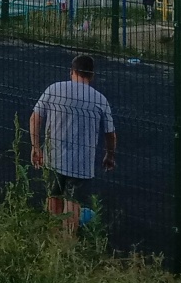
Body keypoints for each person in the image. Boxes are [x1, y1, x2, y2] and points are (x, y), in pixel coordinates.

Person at [30, 54, 117, 234]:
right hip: (81, 162)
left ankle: (53, 238)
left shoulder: (54, 89)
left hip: (54, 156)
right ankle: (68, 241)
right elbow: (110, 134)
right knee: (73, 201)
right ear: (92, 75)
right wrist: (109, 155)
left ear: (71, 71)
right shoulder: (100, 99)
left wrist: (35, 146)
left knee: (54, 196)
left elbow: (35, 118)